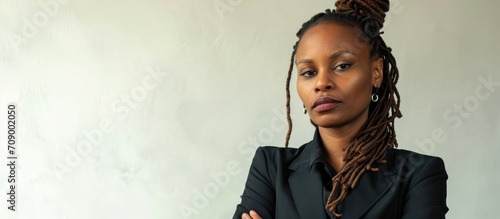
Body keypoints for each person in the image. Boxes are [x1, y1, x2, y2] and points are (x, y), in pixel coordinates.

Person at [233, 0, 448, 218]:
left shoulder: (419, 174)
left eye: (342, 66)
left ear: (376, 72)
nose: (321, 83)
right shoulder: (271, 167)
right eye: (308, 72)